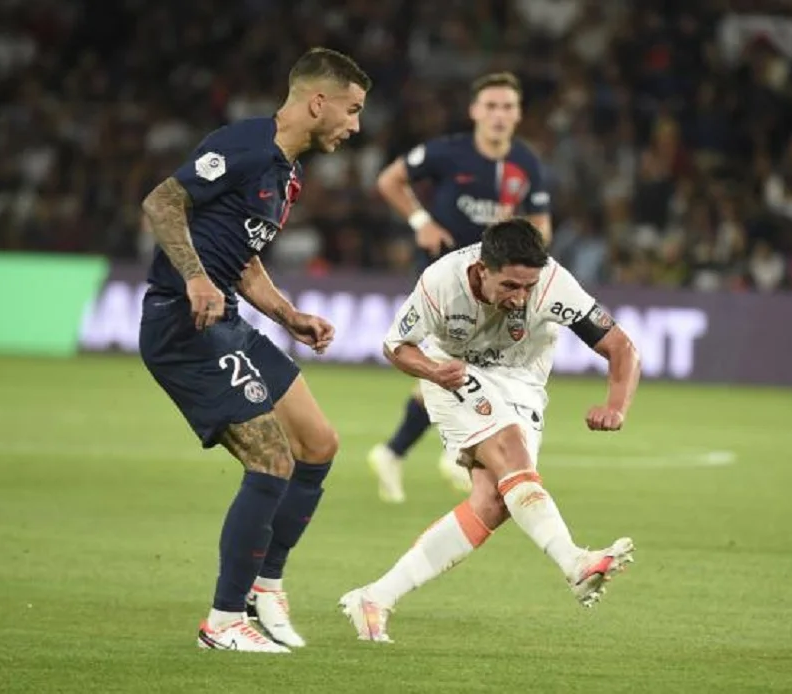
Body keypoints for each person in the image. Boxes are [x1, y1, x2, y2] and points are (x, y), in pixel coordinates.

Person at [138, 47, 370, 654]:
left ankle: (265, 585)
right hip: (184, 323)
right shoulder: (242, 145)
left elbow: (242, 260)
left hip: (228, 320)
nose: (356, 126)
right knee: (270, 458)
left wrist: (290, 316)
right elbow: (162, 202)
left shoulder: (286, 174)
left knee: (318, 442)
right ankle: (222, 622)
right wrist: (194, 277)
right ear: (317, 103)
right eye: (352, 110)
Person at [339, 218, 640, 642]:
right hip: (454, 371)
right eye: (510, 286)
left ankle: (375, 597)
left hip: (524, 381)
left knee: (494, 502)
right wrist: (432, 372)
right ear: (482, 269)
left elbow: (621, 346)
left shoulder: (554, 284)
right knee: (511, 449)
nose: (520, 298)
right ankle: (574, 562)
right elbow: (396, 345)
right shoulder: (441, 282)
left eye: (528, 287)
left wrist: (616, 406)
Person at [367, 72, 553, 503]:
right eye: (491, 106)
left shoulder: (526, 162)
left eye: (508, 107)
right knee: (457, 363)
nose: (499, 115)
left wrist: (525, 241)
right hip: (448, 281)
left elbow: (542, 223)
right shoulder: (448, 152)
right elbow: (389, 180)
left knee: (460, 366)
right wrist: (421, 221)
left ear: (518, 114)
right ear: (474, 111)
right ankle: (446, 454)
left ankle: (410, 452)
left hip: (497, 289)